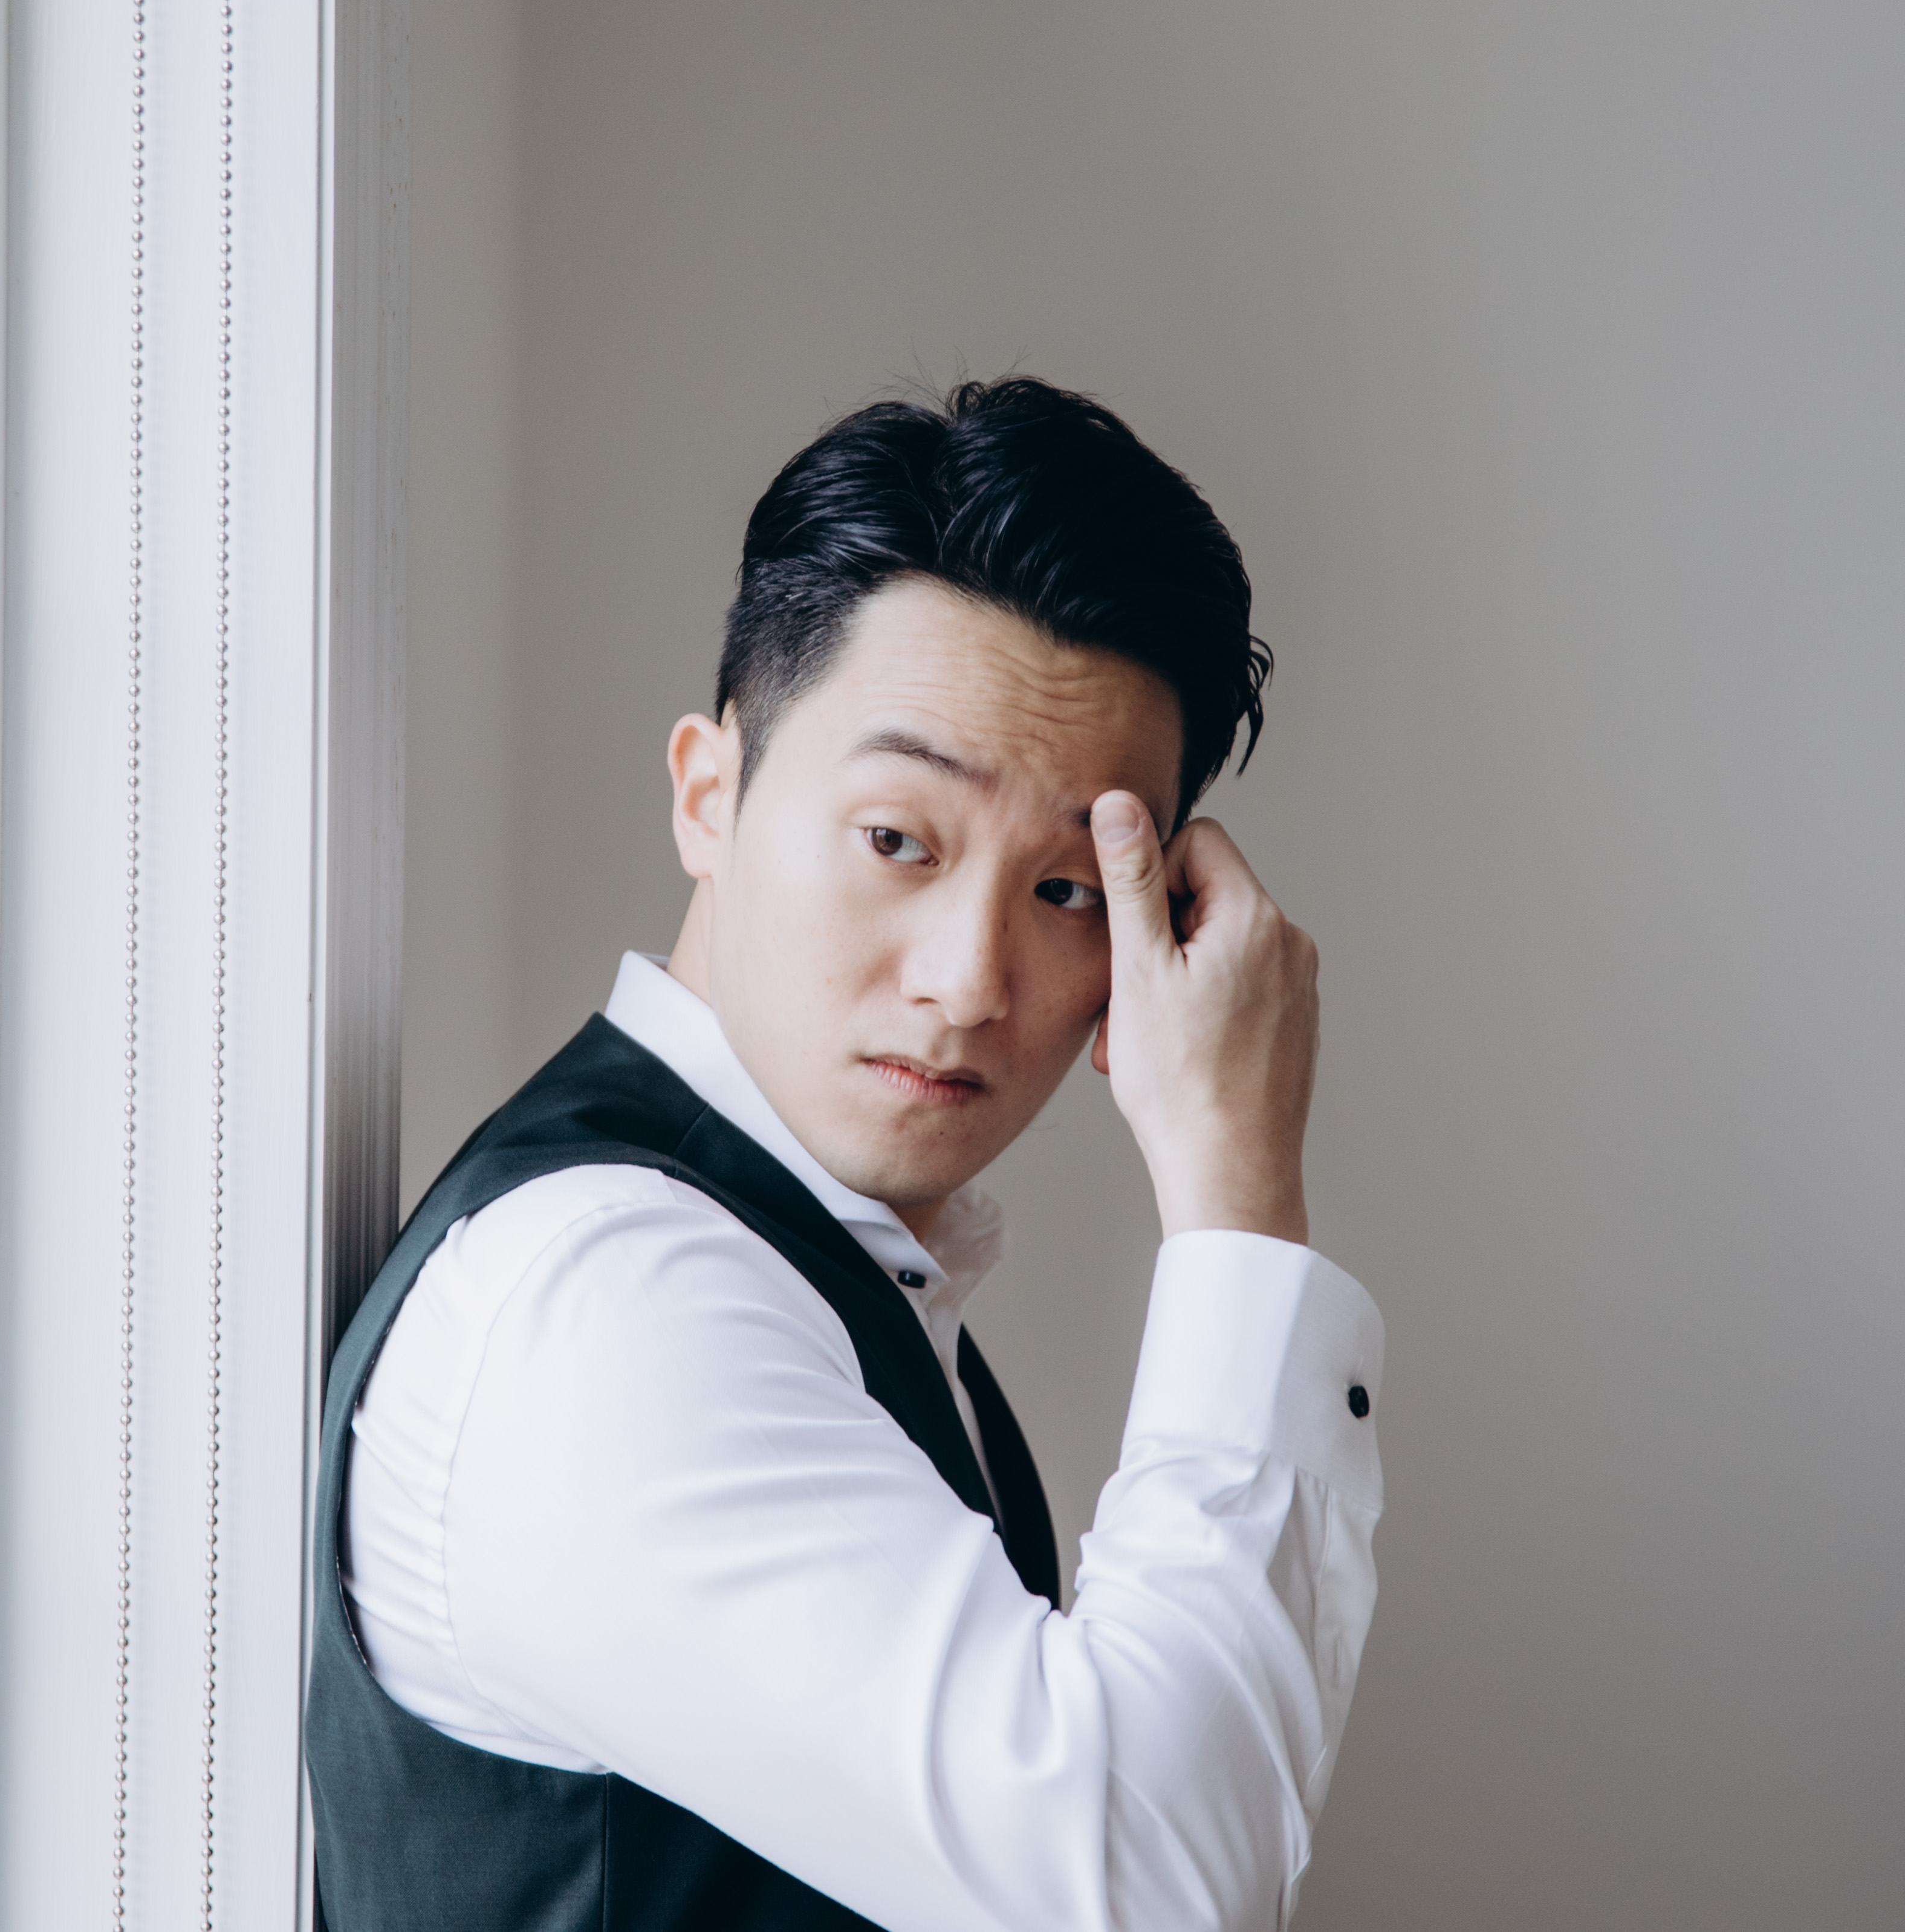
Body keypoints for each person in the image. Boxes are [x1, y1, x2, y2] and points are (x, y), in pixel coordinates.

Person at [305, 378, 1383, 1931]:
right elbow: (1152, 1888)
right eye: (897, 839)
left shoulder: (825, 1265)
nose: (967, 979)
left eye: (1068, 891)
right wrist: (1234, 1184)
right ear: (708, 793)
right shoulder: (609, 1302)